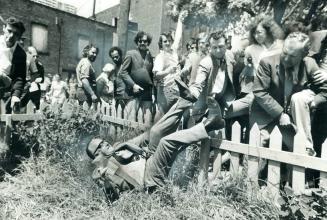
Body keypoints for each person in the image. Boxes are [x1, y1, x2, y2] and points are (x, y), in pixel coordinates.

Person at [82, 84, 225, 201]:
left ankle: (185, 100)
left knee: (156, 132)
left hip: (148, 160)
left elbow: (139, 140)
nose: (104, 144)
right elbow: (112, 197)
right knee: (165, 142)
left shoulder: (115, 149)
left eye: (102, 142)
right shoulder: (101, 172)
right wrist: (105, 180)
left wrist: (131, 144)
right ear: (96, 156)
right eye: (99, 147)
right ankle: (209, 125)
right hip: (148, 180)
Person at [251, 32, 327, 156]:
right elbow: (259, 92)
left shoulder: (310, 64)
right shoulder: (267, 62)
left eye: (292, 56)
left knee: (300, 152)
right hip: (265, 117)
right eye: (284, 52)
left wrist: (313, 102)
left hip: (291, 122)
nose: (286, 58)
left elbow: (325, 91)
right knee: (256, 153)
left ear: (304, 55)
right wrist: (280, 114)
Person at [153, 11, 187, 114]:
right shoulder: (160, 57)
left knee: (175, 118)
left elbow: (178, 38)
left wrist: (180, 20)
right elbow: (156, 75)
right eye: (165, 41)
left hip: (177, 89)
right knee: (163, 118)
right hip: (166, 91)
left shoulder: (173, 53)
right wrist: (168, 71)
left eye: (169, 40)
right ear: (161, 44)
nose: (167, 43)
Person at [119, 31, 154, 120]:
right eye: (140, 41)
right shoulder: (130, 54)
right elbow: (123, 72)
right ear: (137, 42)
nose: (142, 43)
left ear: (148, 43)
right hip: (133, 92)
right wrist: (133, 85)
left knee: (146, 120)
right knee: (130, 119)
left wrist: (153, 93)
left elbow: (151, 75)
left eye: (145, 41)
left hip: (147, 92)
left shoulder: (150, 56)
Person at [0, 17, 26, 113]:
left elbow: (19, 78)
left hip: (3, 93)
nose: (11, 36)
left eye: (16, 34)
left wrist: (15, 96)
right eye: (9, 31)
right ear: (4, 28)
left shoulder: (20, 54)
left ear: (19, 37)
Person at [20, 46, 44, 111]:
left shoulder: (40, 66)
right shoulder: (24, 63)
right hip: (25, 87)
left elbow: (42, 79)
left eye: (37, 56)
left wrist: (39, 79)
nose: (35, 58)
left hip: (35, 89)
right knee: (22, 106)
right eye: (33, 56)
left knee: (35, 107)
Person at [109, 46, 131, 112]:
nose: (115, 59)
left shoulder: (126, 66)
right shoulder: (115, 68)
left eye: (116, 56)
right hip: (117, 97)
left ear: (121, 55)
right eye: (113, 58)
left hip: (126, 97)